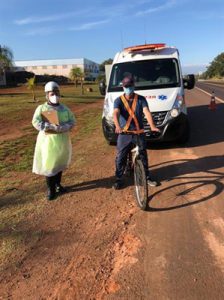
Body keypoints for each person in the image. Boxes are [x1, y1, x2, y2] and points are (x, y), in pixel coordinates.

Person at [113, 76, 160, 189]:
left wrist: (152, 126)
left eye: (130, 86)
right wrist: (118, 126)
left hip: (139, 133)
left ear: (134, 86)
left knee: (143, 155)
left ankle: (146, 177)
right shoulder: (118, 100)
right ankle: (119, 179)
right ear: (123, 87)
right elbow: (115, 113)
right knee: (121, 156)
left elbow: (146, 112)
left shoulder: (141, 99)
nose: (128, 88)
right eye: (126, 86)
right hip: (124, 133)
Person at [32, 81, 76, 200]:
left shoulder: (64, 108)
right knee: (50, 165)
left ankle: (57, 185)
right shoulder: (42, 108)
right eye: (52, 93)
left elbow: (72, 121)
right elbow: (35, 122)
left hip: (63, 140)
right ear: (47, 95)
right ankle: (50, 189)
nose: (55, 95)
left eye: (56, 92)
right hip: (48, 142)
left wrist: (65, 127)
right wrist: (48, 126)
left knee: (60, 163)